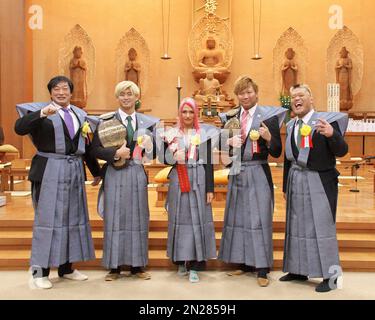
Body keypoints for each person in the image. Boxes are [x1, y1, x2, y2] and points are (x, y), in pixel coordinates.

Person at [14, 76, 101, 289]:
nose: (61, 92)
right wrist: (42, 113)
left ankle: (66, 268)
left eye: (65, 89)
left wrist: (96, 172)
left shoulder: (80, 115)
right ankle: (39, 271)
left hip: (73, 171)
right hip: (48, 170)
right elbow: (19, 128)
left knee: (73, 218)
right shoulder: (40, 112)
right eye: (56, 89)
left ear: (71, 92)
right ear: (50, 92)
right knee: (47, 221)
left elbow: (86, 147)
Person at [218, 76, 287, 287]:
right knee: (239, 217)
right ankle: (244, 262)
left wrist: (268, 138)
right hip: (237, 171)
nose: (245, 96)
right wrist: (227, 141)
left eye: (249, 92)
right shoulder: (230, 117)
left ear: (256, 93)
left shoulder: (269, 117)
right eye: (241, 93)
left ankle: (262, 268)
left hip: (258, 171)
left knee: (259, 218)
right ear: (237, 96)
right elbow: (225, 152)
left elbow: (277, 152)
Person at [280, 84, 349, 293]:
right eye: (293, 97)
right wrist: (285, 185)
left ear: (311, 99)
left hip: (319, 181)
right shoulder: (291, 125)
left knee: (322, 228)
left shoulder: (325, 122)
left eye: (301, 95)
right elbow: (287, 158)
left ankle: (331, 276)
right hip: (295, 181)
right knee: (297, 226)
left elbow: (342, 151)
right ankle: (298, 269)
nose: (296, 99)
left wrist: (331, 135)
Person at [91, 81, 159, 281]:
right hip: (114, 172)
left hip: (137, 171)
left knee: (138, 216)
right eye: (122, 94)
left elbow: (153, 153)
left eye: (130, 94)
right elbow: (94, 149)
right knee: (115, 218)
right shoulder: (106, 121)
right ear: (117, 97)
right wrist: (114, 153)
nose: (126, 98)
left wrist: (149, 146)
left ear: (137, 97)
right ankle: (114, 267)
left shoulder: (147, 123)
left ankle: (138, 266)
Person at [159, 97, 218, 283]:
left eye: (191, 111)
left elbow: (209, 162)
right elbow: (163, 159)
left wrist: (210, 188)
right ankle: (181, 261)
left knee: (197, 220)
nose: (187, 115)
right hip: (179, 179)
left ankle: (196, 264)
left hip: (199, 178)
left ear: (196, 113)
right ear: (179, 113)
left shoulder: (204, 133)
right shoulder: (171, 134)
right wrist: (172, 155)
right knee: (179, 219)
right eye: (184, 111)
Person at [335, 46, 353, 111]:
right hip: (340, 74)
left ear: (346, 53)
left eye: (344, 53)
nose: (343, 54)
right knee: (340, 87)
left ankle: (345, 99)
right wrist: (340, 66)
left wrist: (345, 66)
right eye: (342, 53)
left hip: (346, 74)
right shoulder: (338, 60)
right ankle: (340, 99)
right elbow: (336, 67)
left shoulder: (348, 60)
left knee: (345, 87)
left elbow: (350, 66)